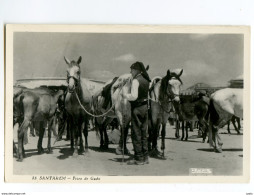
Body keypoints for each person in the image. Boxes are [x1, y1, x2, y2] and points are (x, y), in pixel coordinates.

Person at [123, 61, 151, 165]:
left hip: (137, 108)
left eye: (132, 70)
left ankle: (138, 158)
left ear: (137, 70)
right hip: (145, 108)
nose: (131, 71)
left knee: (136, 132)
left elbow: (134, 96)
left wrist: (126, 95)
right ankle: (145, 156)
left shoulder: (135, 81)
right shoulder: (147, 80)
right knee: (144, 132)